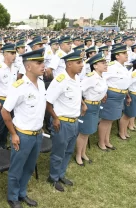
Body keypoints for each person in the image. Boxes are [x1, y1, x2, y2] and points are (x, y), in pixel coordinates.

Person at [1, 48, 46, 208]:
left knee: (29, 167)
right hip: (23, 135)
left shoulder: (41, 84)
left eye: (43, 62)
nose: (43, 65)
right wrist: (13, 134)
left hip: (37, 134)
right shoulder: (18, 87)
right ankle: (13, 197)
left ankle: (22, 192)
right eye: (39, 63)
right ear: (28, 67)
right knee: (17, 168)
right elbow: (5, 111)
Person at [46, 49, 87, 192]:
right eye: (78, 62)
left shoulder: (76, 78)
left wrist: (82, 104)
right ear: (69, 64)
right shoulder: (61, 80)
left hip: (74, 121)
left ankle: (61, 174)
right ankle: (53, 177)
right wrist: (55, 118)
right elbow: (48, 102)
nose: (82, 65)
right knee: (58, 153)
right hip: (62, 122)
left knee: (69, 151)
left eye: (81, 62)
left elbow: (76, 94)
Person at [75, 52, 108, 166]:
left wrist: (102, 95)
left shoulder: (101, 77)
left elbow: (100, 90)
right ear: (95, 66)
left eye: (105, 62)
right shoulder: (91, 77)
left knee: (88, 132)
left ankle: (83, 153)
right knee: (83, 132)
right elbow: (78, 90)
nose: (105, 64)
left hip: (96, 105)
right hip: (88, 107)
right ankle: (78, 155)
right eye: (102, 63)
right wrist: (83, 104)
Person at [98, 45, 131, 149]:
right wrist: (104, 92)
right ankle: (101, 142)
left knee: (111, 119)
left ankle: (106, 141)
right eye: (124, 53)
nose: (127, 55)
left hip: (120, 96)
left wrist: (127, 95)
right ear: (117, 56)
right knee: (106, 119)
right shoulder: (112, 66)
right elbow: (101, 78)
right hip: (111, 95)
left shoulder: (123, 67)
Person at [119, 55, 136, 138]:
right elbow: (126, 86)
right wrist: (128, 97)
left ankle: (125, 131)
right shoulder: (134, 74)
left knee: (130, 115)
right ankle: (121, 132)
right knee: (126, 115)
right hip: (133, 96)